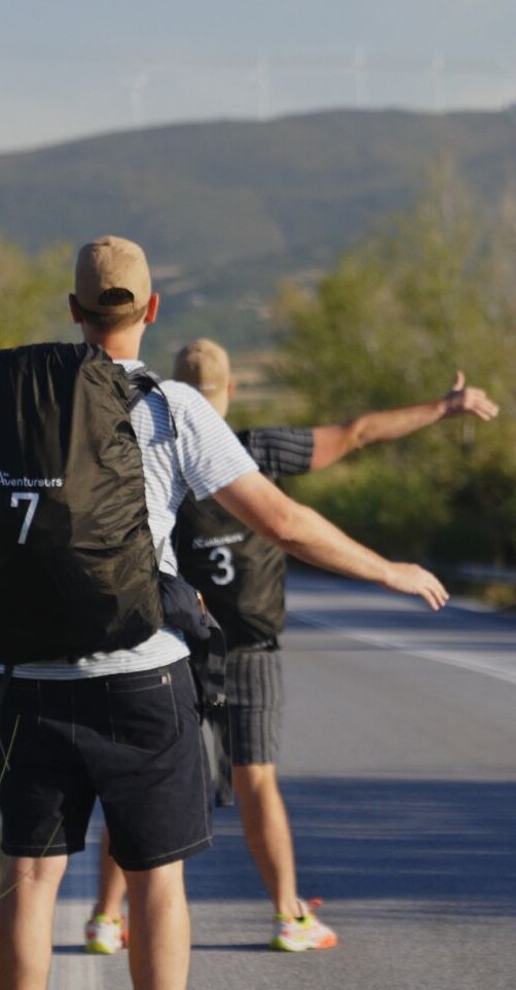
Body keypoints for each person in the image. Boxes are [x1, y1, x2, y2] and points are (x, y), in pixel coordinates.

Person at [0, 237, 447, 990]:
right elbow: (284, 523)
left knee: (30, 876)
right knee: (157, 877)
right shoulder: (172, 407)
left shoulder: (14, 406)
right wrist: (387, 569)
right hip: (142, 679)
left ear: (73, 311)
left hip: (28, 674)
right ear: (152, 309)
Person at [85, 336, 498, 957]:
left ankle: (104, 919)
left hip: (171, 641)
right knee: (257, 781)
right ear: (229, 392)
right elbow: (356, 433)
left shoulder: (151, 437)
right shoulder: (255, 449)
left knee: (141, 781)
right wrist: (441, 408)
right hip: (247, 648)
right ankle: (287, 916)